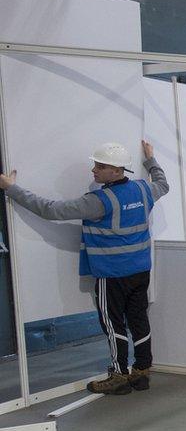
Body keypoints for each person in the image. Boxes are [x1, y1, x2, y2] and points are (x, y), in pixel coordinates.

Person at [0, 141, 168, 395]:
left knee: (113, 325)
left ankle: (119, 376)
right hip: (140, 269)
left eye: (100, 166)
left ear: (117, 170)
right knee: (138, 320)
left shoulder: (98, 201)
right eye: (95, 165)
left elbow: (50, 210)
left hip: (111, 274)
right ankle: (142, 372)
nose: (94, 170)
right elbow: (163, 184)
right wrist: (151, 160)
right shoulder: (145, 190)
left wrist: (12, 189)